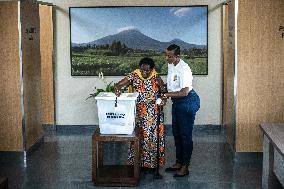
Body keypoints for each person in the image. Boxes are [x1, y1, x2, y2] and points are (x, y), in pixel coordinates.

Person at [114, 57, 166, 172]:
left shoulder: (156, 77)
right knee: (138, 137)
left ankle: (151, 165)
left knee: (151, 138)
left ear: (152, 69)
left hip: (153, 113)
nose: (145, 73)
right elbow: (118, 85)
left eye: (148, 70)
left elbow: (163, 91)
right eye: (143, 70)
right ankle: (137, 163)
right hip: (138, 113)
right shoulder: (134, 75)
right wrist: (117, 89)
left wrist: (163, 99)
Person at [162, 44, 200, 177]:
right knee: (177, 133)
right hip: (177, 102)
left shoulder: (184, 69)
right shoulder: (171, 64)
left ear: (178, 56)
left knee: (185, 136)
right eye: (166, 55)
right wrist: (164, 90)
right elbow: (172, 85)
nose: (167, 58)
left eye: (170, 56)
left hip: (187, 102)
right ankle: (179, 162)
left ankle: (185, 166)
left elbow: (184, 92)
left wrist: (166, 95)